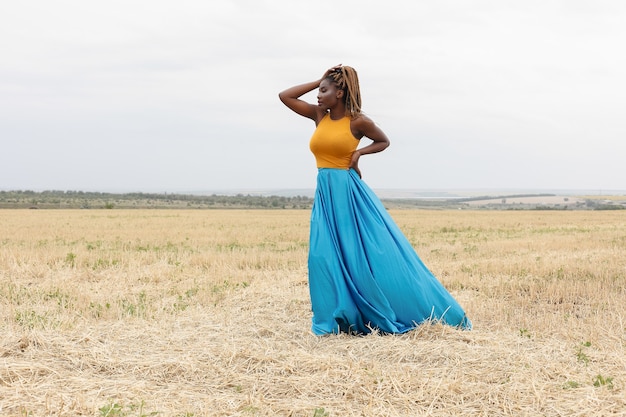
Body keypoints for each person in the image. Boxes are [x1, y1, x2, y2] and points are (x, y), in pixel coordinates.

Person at [279, 64, 471, 335]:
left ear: (341, 92)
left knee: (364, 255)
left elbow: (383, 141)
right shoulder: (319, 115)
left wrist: (359, 154)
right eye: (318, 91)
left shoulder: (359, 122)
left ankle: (394, 309)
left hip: (348, 195)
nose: (318, 96)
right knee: (322, 256)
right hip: (325, 193)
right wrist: (318, 80)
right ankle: (338, 315)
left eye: (324, 91)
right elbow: (285, 97)